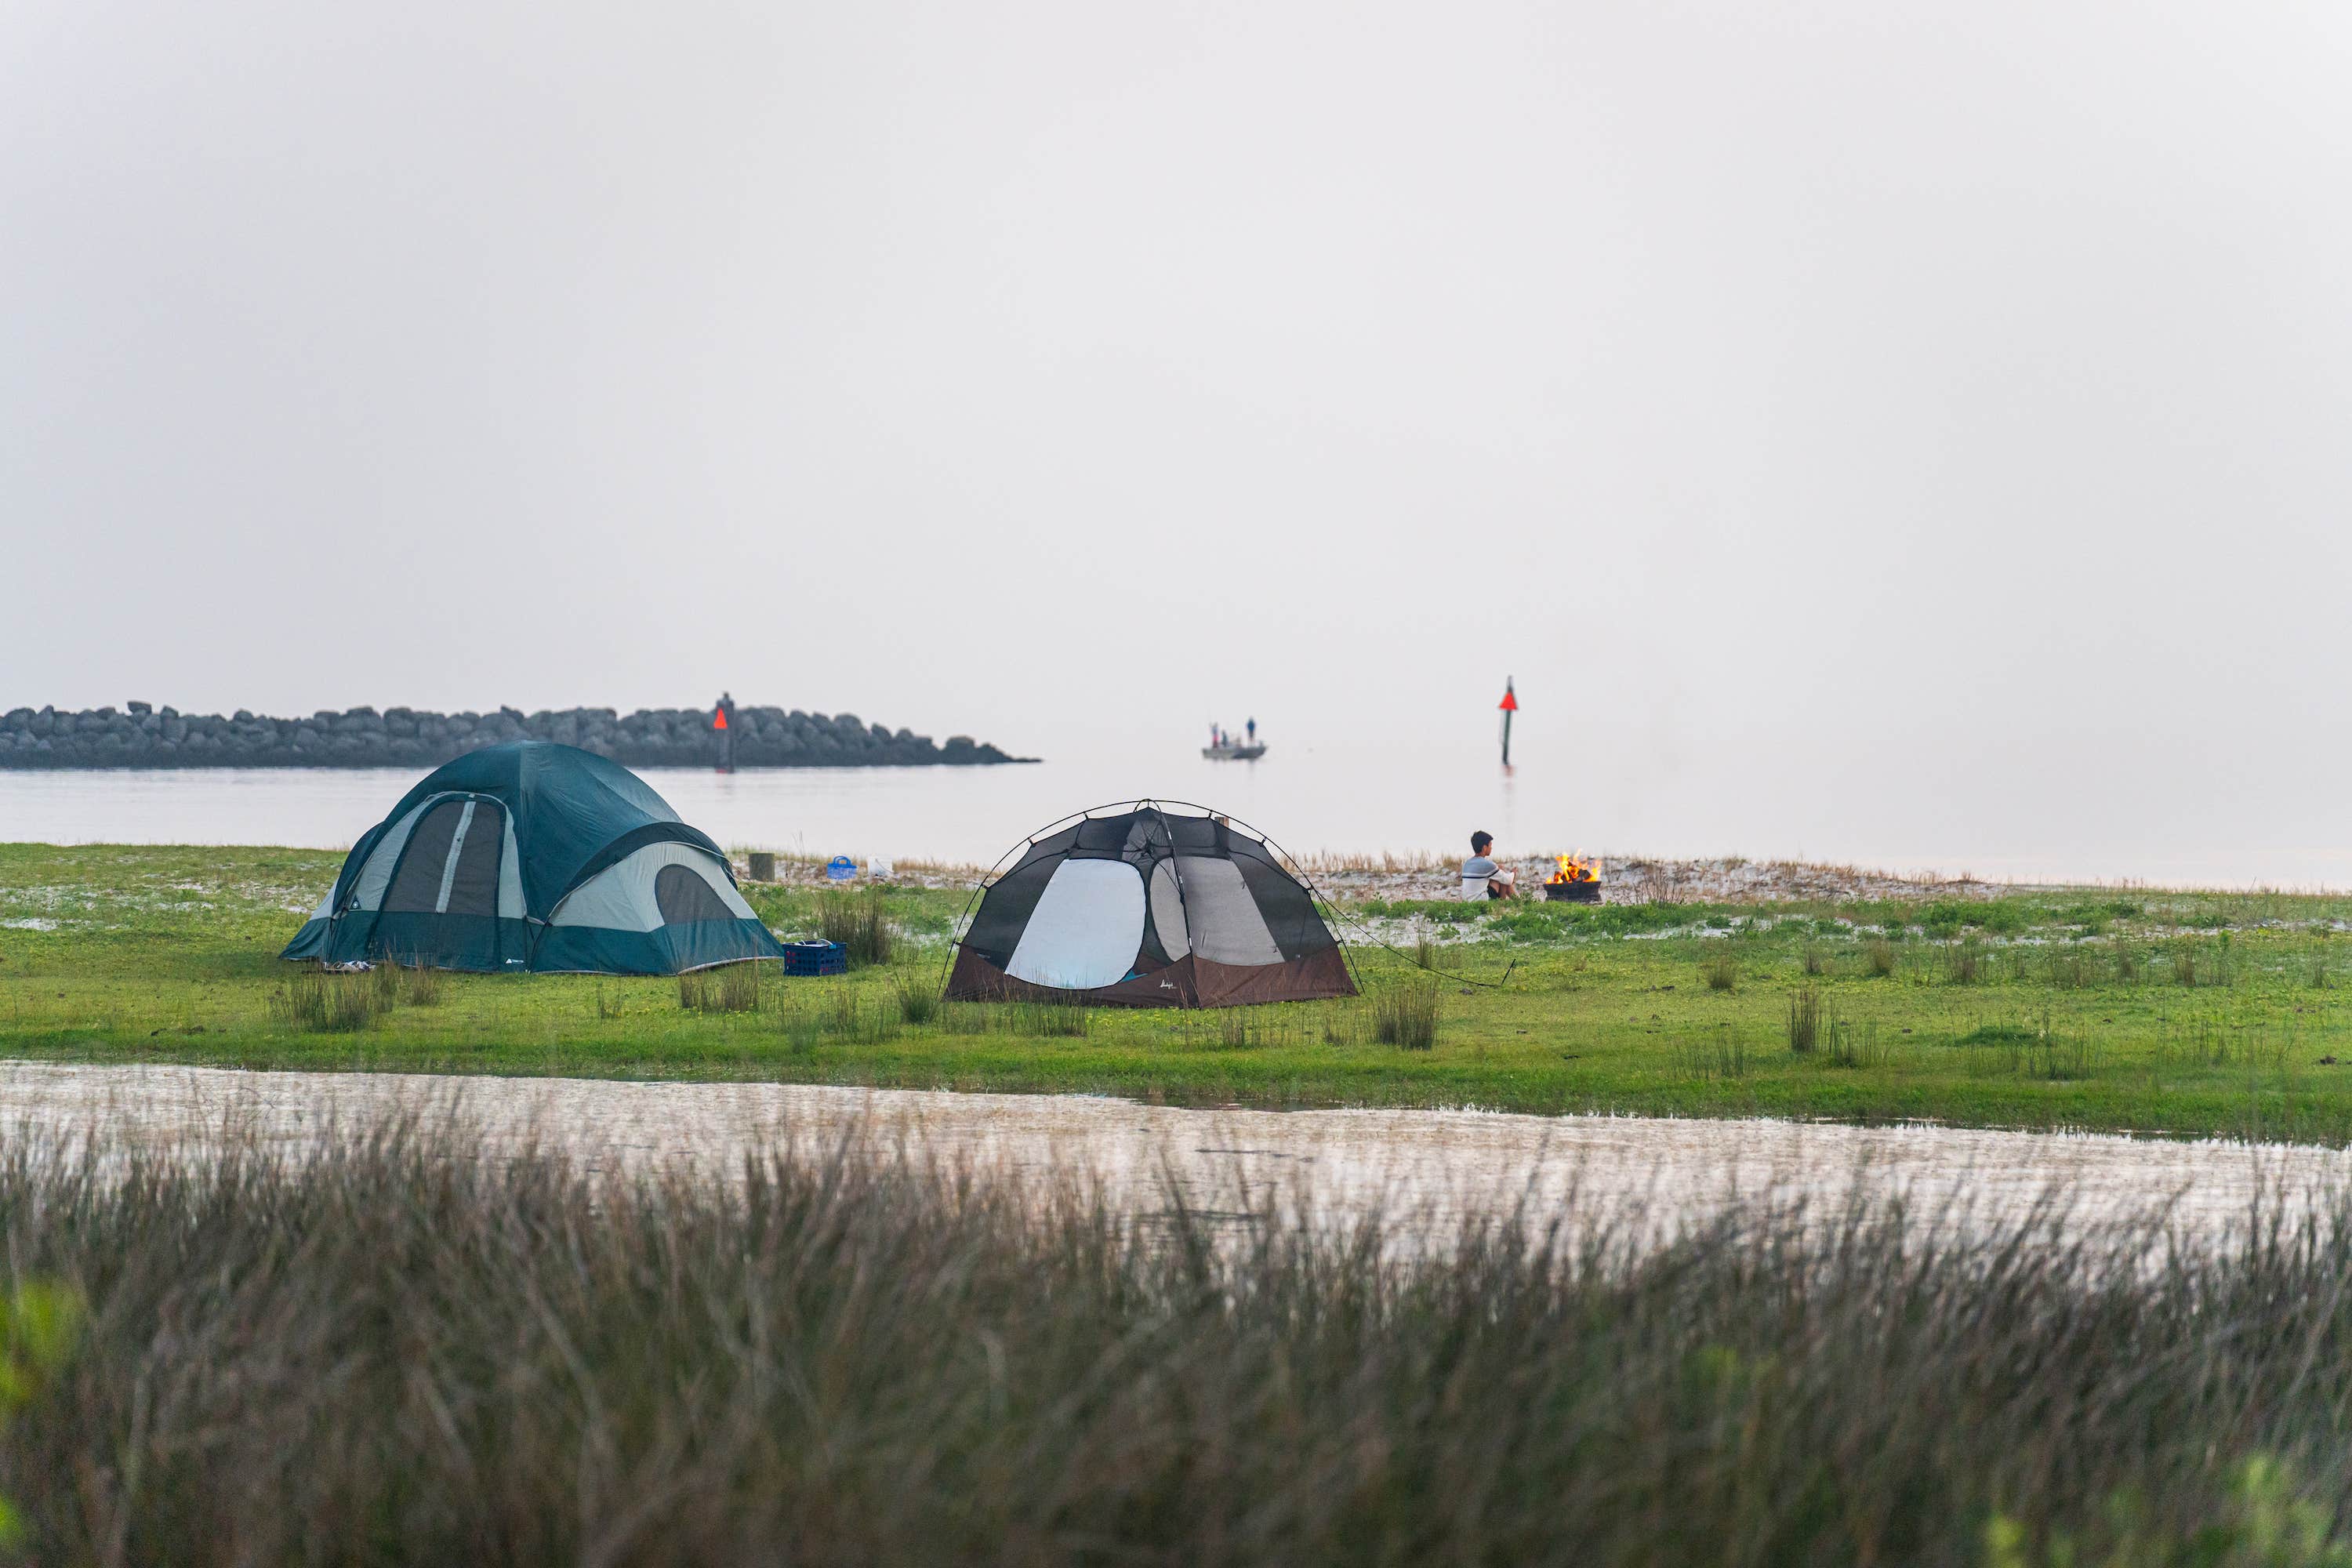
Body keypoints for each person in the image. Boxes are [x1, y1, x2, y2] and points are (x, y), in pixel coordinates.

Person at [1461, 831, 1518, 901]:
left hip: (1467, 901)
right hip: (1481, 901)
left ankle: (1518, 901)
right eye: (1490, 845)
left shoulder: (1466, 864)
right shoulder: (1487, 864)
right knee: (1503, 876)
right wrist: (1513, 873)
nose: (1491, 848)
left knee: (1498, 873)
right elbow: (1508, 880)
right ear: (1485, 848)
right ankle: (1517, 902)